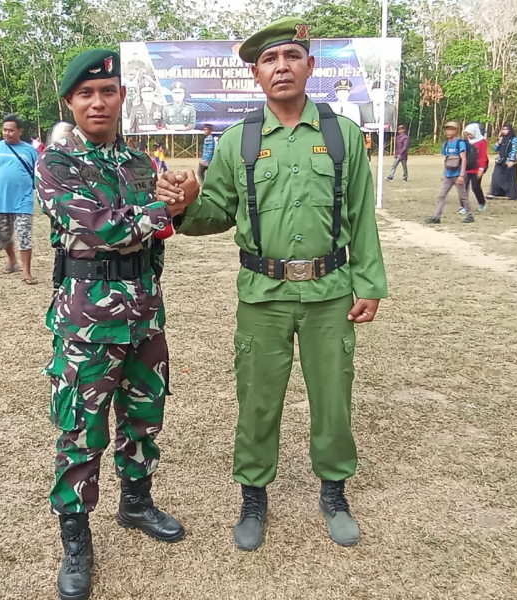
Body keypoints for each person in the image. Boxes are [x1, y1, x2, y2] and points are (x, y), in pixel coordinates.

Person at [157, 17, 388, 550]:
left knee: (333, 395)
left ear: (310, 65)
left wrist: (369, 283)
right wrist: (188, 200)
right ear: (256, 75)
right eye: (269, 60)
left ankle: (334, 492)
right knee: (258, 398)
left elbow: (360, 216)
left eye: (290, 56)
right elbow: (214, 212)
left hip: (330, 292)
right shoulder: (239, 140)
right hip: (263, 295)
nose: (280, 66)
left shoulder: (341, 134)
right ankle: (253, 497)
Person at [35, 49, 186, 600]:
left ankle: (136, 503)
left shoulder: (141, 164)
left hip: (145, 316)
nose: (98, 102)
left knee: (144, 418)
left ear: (122, 97)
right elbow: (104, 229)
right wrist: (166, 211)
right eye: (85, 95)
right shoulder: (57, 164)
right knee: (81, 432)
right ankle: (76, 541)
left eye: (108, 92)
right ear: (70, 103)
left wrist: (181, 202)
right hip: (87, 325)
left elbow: (156, 235)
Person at [0, 114, 39, 284]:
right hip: (1, 201)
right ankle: (12, 260)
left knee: (24, 235)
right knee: (3, 235)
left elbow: (39, 174)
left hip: (24, 200)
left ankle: (26, 271)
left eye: (11, 130)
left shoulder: (30, 150)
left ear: (19, 131)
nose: (7, 133)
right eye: (5, 130)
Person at [426, 121, 473, 224]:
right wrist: (444, 174)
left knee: (463, 196)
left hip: (457, 174)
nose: (448, 131)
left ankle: (470, 215)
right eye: (447, 129)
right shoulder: (446, 144)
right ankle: (436, 217)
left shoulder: (460, 143)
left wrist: (461, 175)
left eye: (451, 129)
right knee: (441, 195)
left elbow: (463, 159)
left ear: (456, 131)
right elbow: (446, 159)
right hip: (448, 174)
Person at [487, 123, 517, 200]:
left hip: (509, 160)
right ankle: (496, 192)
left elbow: (514, 150)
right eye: (503, 129)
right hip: (500, 160)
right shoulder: (502, 138)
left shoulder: (514, 139)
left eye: (506, 129)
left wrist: (511, 160)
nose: (504, 131)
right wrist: (499, 142)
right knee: (496, 176)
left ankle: (510, 194)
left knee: (509, 178)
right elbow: (495, 149)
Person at [463, 123, 488, 212]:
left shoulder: (482, 141)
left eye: (469, 134)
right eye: (467, 134)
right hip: (467, 166)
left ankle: (482, 203)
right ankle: (464, 206)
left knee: (475, 187)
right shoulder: (466, 142)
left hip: (477, 167)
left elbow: (482, 156)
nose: (468, 136)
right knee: (464, 187)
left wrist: (481, 168)